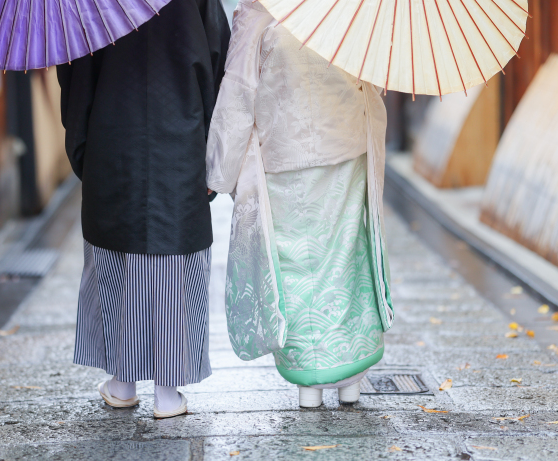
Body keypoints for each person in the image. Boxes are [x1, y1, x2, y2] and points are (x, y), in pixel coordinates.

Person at [206, 0, 394, 408]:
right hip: (347, 146)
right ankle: (352, 379)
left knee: (296, 268)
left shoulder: (259, 11)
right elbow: (372, 75)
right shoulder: (350, 8)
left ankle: (309, 384)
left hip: (285, 154)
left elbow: (239, 89)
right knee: (347, 261)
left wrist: (218, 170)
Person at [57, 0, 230, 418]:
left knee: (116, 262)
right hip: (181, 139)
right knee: (175, 267)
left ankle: (121, 382)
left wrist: (83, 152)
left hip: (112, 140)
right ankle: (168, 393)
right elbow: (219, 61)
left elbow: (75, 71)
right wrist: (212, 154)